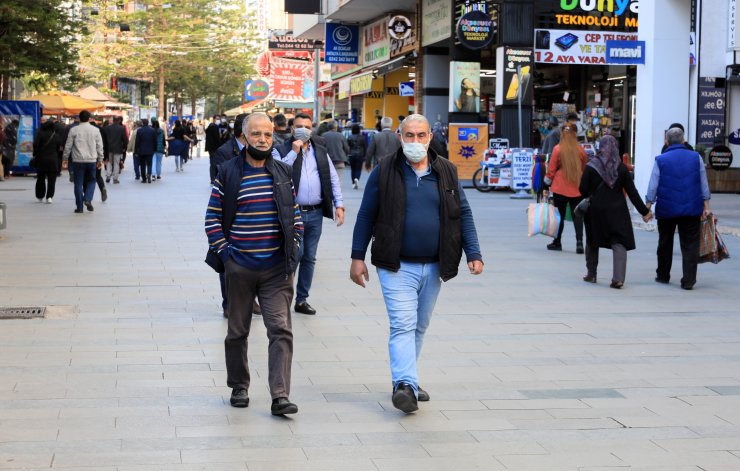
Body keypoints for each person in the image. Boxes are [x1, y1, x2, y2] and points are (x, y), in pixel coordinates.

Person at [349, 114, 484, 413]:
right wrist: (357, 257)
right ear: (399, 136)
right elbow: (366, 216)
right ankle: (405, 385)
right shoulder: (385, 170)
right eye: (409, 135)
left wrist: (473, 253)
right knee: (403, 324)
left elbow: (463, 214)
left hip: (435, 265)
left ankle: (407, 378)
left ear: (430, 138)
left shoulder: (446, 171)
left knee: (419, 326)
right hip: (395, 265)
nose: (415, 141)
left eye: (420, 135)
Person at [204, 112, 303, 414]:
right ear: (245, 137)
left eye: (268, 134)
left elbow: (295, 214)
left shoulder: (283, 172)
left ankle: (280, 395)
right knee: (237, 331)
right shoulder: (229, 172)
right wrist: (227, 255)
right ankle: (239, 385)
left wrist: (295, 245)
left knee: (281, 330)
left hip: (276, 269)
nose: (263, 139)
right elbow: (212, 218)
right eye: (257, 134)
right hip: (240, 267)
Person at [273, 113, 345, 316]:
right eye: (298, 126)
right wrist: (294, 152)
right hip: (292, 214)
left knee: (310, 257)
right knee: (295, 255)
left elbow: (332, 178)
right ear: (292, 128)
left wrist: (339, 204)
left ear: (311, 129)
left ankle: (302, 299)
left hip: (315, 213)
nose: (303, 129)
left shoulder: (320, 150)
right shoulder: (280, 149)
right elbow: (278, 173)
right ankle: (282, 298)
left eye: (307, 126)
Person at [579, 135, 653, 289]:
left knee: (593, 240)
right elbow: (632, 192)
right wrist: (645, 212)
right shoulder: (621, 168)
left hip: (595, 211)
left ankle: (591, 274)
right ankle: (618, 279)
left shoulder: (591, 166)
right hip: (617, 211)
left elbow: (583, 190)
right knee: (618, 242)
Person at [646, 126, 711, 290]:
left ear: (667, 141)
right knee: (690, 244)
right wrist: (706, 206)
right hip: (691, 208)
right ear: (683, 141)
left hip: (667, 209)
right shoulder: (696, 157)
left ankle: (663, 275)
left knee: (665, 242)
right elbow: (704, 183)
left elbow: (653, 185)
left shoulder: (660, 159)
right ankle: (688, 280)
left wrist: (648, 205)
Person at [211, 113, 263, 316]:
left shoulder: (264, 151)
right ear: (244, 133)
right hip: (231, 217)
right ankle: (229, 303)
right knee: (229, 264)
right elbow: (217, 183)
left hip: (255, 218)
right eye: (256, 132)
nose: (261, 138)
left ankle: (251, 300)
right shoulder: (224, 152)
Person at [544, 123, 587, 253]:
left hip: (560, 187)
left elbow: (551, 170)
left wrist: (546, 183)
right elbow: (584, 167)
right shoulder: (580, 150)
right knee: (578, 216)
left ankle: (557, 242)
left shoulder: (558, 149)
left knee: (560, 216)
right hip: (577, 187)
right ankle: (579, 243)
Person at [62, 110, 104, 213]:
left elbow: (68, 146)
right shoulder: (95, 130)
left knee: (78, 183)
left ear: (79, 118)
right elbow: (99, 146)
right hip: (91, 160)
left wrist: (65, 158)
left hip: (77, 160)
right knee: (92, 181)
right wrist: (100, 159)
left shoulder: (74, 130)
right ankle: (88, 199)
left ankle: (79, 207)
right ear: (89, 118)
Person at [32, 118, 61, 203]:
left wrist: (35, 153)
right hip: (53, 160)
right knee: (52, 180)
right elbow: (58, 148)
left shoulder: (40, 134)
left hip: (41, 159)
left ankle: (40, 195)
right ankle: (49, 197)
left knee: (40, 178)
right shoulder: (56, 136)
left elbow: (35, 145)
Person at [104, 117, 128, 184]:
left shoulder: (107, 128)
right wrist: (124, 147)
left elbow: (104, 138)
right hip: (118, 148)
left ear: (113, 120)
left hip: (109, 148)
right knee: (116, 163)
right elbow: (125, 139)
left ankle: (108, 176)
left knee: (109, 162)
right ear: (119, 121)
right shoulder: (121, 128)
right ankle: (115, 179)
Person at [134, 118, 157, 183]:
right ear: (147, 123)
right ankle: (149, 174)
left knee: (142, 165)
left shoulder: (139, 130)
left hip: (141, 150)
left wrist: (136, 151)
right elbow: (154, 141)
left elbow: (137, 142)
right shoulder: (152, 130)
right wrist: (155, 148)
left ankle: (144, 178)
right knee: (149, 164)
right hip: (150, 150)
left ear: (142, 123)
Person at [347, 124, 366, 189]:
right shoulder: (362, 137)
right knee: (358, 169)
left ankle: (353, 182)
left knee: (353, 169)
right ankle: (357, 179)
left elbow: (348, 146)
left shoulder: (349, 137)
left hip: (351, 154)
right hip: (360, 155)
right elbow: (365, 147)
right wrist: (365, 156)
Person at [205, 115, 222, 184]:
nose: (219, 120)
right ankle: (213, 178)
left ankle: (212, 179)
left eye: (219, 119)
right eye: (217, 119)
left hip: (211, 148)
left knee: (212, 163)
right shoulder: (214, 127)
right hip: (214, 148)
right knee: (214, 164)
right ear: (214, 119)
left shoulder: (210, 126)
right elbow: (216, 138)